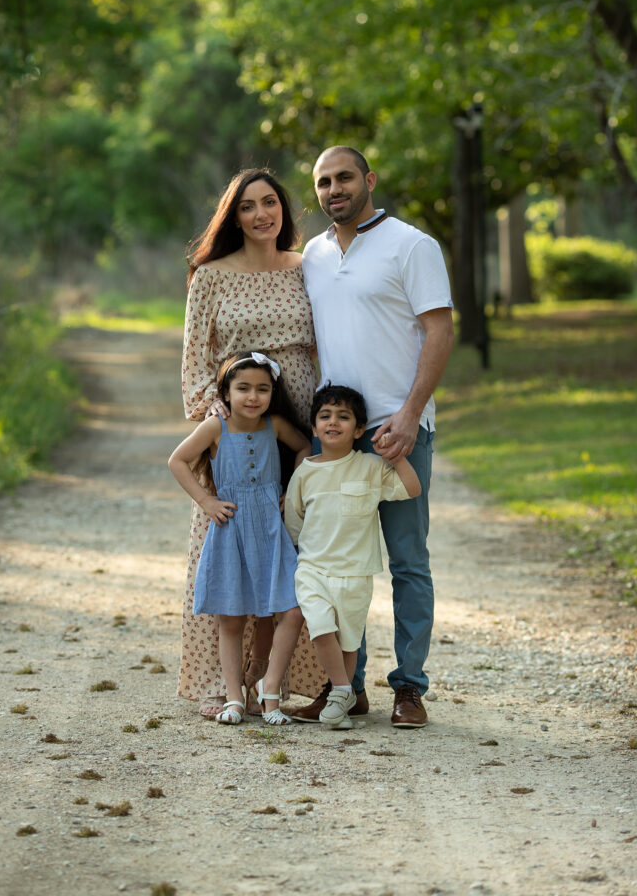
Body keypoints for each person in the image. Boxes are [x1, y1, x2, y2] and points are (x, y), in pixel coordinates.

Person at [294, 145, 454, 728]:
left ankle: (409, 689)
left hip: (398, 431)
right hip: (338, 435)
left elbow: (439, 329)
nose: (334, 189)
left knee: (408, 562)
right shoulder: (311, 255)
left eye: (344, 177)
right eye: (323, 182)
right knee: (336, 567)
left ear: (369, 180)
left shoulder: (412, 245)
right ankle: (346, 687)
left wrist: (411, 413)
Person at [178, 168, 325, 717]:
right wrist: (211, 415)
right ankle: (228, 686)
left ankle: (290, 681)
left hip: (299, 426)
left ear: (284, 209)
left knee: (297, 551)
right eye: (247, 206)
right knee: (230, 544)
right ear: (232, 216)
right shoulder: (210, 276)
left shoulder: (306, 268)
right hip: (240, 425)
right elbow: (195, 363)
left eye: (270, 202)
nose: (261, 214)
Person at [169, 351, 310, 725]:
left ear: (272, 393)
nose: (253, 396)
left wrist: (291, 491)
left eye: (262, 389)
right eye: (243, 388)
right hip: (230, 529)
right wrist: (206, 501)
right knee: (230, 619)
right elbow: (177, 461)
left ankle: (265, 689)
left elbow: (303, 448)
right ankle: (233, 697)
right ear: (226, 392)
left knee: (286, 609)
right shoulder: (216, 426)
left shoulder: (275, 425)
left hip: (269, 529)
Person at [284, 385, 420, 729]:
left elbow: (411, 489)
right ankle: (344, 688)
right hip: (313, 568)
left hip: (356, 573)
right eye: (325, 416)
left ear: (359, 430)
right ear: (313, 428)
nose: (333, 422)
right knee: (320, 625)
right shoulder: (305, 471)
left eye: (343, 417)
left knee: (348, 640)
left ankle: (340, 701)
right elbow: (294, 521)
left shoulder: (371, 468)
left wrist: (395, 456)